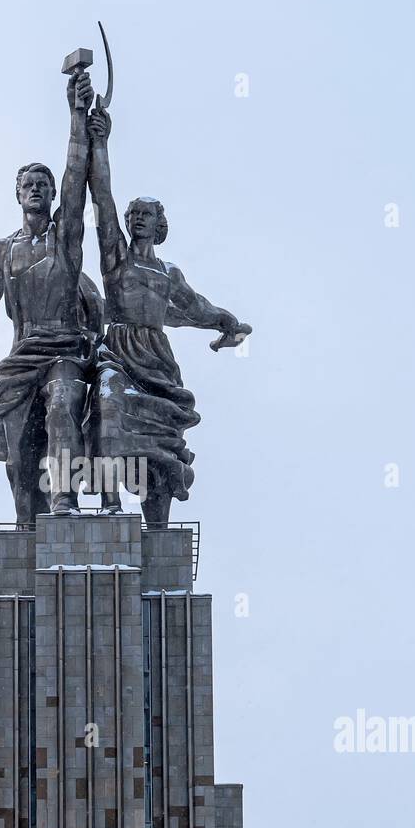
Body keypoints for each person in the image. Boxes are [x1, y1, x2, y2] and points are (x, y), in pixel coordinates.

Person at [0, 69, 103, 524]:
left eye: (43, 185)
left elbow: (75, 176)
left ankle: (64, 502)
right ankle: (26, 523)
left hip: (64, 348)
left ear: (52, 196)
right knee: (16, 454)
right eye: (28, 184)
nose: (36, 189)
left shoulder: (66, 238)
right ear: (17, 194)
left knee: (63, 403)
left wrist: (76, 115)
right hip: (21, 353)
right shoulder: (2, 250)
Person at [85, 106, 251, 523]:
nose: (138, 218)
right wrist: (100, 144)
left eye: (147, 214)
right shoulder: (116, 258)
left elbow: (194, 308)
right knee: (108, 406)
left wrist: (225, 321)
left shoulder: (167, 273)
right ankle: (110, 506)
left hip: (157, 359)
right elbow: (101, 196)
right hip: (118, 352)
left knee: (161, 443)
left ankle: (157, 519)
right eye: (134, 213)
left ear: (160, 224)